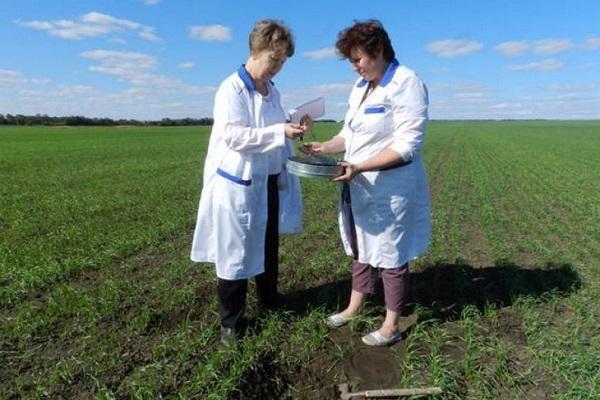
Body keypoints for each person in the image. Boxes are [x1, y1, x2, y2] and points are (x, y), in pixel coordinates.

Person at [302, 20, 430, 346]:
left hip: (391, 188)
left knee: (390, 253)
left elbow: (406, 145)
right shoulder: (360, 87)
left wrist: (359, 166)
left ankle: (391, 325)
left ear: (379, 50)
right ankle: (354, 306)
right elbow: (349, 133)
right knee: (360, 246)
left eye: (358, 59)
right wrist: (324, 147)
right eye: (351, 61)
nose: (355, 67)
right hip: (358, 184)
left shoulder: (407, 83)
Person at [190, 19, 310, 344]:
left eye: (283, 61)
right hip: (237, 185)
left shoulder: (272, 91)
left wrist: (292, 126)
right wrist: (279, 131)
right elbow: (234, 135)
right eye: (275, 59)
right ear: (256, 51)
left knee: (267, 243)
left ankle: (269, 299)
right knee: (235, 249)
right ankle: (231, 320)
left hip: (267, 179)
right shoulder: (232, 88)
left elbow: (273, 128)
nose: (278, 67)